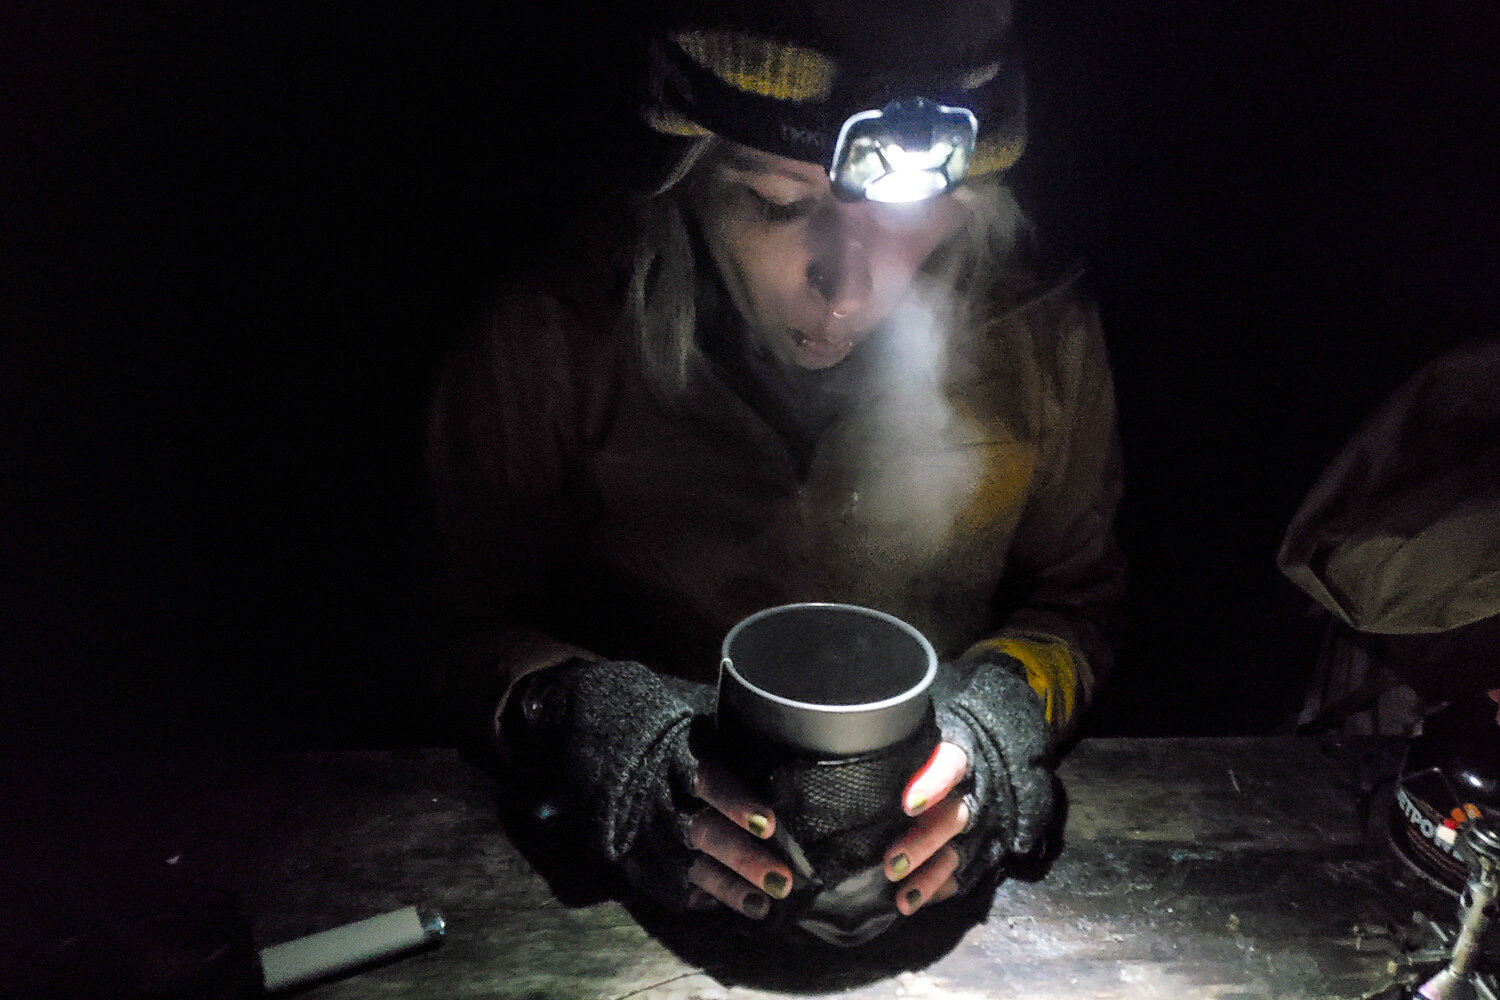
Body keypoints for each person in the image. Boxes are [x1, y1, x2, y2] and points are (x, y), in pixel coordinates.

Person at [423, 0, 1124, 943]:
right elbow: (450, 623)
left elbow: (1078, 606)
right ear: (692, 177)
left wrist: (1005, 714)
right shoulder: (555, 339)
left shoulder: (1040, 342)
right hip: (628, 913)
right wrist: (577, 718)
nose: (847, 283)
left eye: (907, 215)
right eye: (780, 205)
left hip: (920, 893)